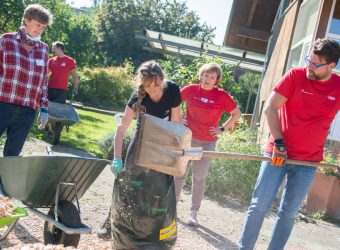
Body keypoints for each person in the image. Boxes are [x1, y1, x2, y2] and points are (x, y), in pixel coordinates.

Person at [238, 38, 340, 250]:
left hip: (308, 161)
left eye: (315, 64)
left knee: (289, 212)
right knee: (259, 205)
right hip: (278, 153)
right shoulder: (296, 76)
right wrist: (279, 142)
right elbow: (270, 108)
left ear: (331, 66)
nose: (309, 67)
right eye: (308, 60)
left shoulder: (338, 87)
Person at [110, 60, 182, 249]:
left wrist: (175, 155)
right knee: (131, 186)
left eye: (156, 85)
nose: (153, 90)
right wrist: (117, 158)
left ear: (162, 79)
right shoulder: (138, 96)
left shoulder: (173, 90)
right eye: (148, 87)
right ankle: (121, 229)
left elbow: (176, 124)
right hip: (140, 144)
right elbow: (122, 128)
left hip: (163, 143)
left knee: (158, 189)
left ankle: (154, 233)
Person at [174, 62, 241, 226]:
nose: (207, 79)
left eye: (212, 77)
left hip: (207, 143)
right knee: (179, 174)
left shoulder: (221, 95)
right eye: (205, 75)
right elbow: (173, 102)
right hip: (188, 139)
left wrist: (222, 129)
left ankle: (193, 213)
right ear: (201, 75)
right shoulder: (191, 89)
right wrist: (178, 119)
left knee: (199, 177)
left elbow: (236, 113)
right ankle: (172, 209)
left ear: (216, 80)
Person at [0, 4, 52, 156]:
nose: (40, 29)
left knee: (12, 155)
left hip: (28, 110)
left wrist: (44, 108)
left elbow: (43, 81)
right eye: (37, 24)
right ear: (26, 20)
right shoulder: (6, 40)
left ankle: (5, 181)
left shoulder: (44, 49)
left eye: (43, 27)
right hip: (3, 104)